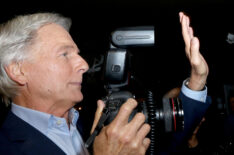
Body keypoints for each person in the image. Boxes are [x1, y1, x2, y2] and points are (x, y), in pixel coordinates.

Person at [0, 12, 210, 155]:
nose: (83, 64)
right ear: (19, 71)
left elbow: (167, 146)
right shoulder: (7, 147)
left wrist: (197, 79)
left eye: (78, 54)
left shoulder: (96, 118)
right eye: (64, 54)